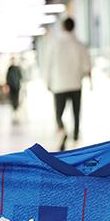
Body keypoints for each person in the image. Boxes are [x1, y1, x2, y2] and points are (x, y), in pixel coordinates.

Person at [42, 17, 91, 150]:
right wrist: (87, 79)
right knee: (76, 112)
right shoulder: (80, 45)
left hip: (59, 85)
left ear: (63, 27)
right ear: (73, 27)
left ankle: (62, 129)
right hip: (76, 84)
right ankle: (75, 137)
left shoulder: (54, 43)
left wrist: (47, 82)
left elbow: (48, 64)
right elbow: (87, 66)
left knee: (59, 113)